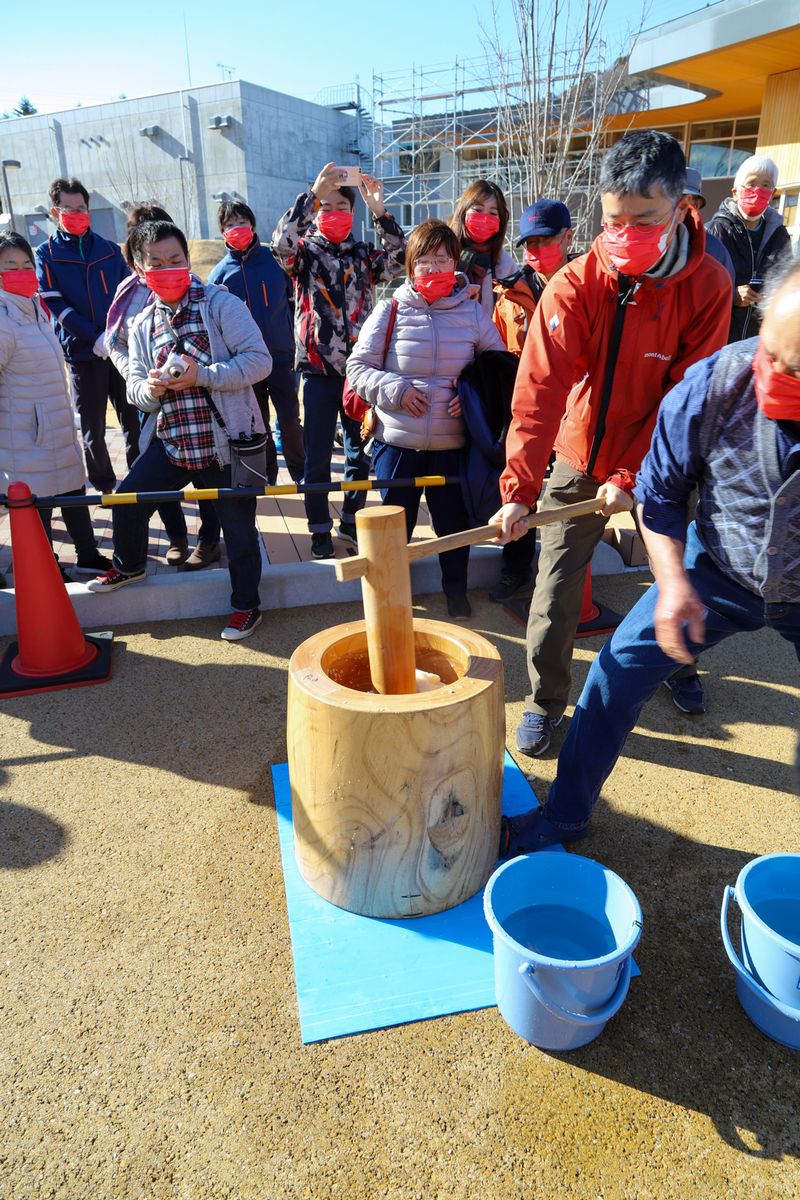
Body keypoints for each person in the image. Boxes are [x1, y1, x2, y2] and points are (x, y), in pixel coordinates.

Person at [500, 256, 800, 854]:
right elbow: (661, 498)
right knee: (615, 671)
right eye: (770, 353)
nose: (771, 374)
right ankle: (563, 815)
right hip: (715, 565)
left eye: (795, 370)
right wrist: (672, 582)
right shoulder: (718, 383)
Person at [492, 130, 732, 757]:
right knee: (554, 591)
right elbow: (539, 390)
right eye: (613, 220)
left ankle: (678, 665)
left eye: (643, 218)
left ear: (682, 206)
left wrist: (632, 475)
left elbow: (686, 400)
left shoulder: (707, 285)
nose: (625, 233)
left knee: (675, 574)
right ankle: (546, 701)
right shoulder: (575, 283)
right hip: (578, 457)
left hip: (666, 462)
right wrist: (518, 489)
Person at [87, 220, 270, 641]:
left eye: (176, 260)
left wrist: (202, 375)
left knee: (239, 529)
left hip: (225, 442)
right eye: (157, 263)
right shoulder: (140, 324)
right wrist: (149, 389)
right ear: (138, 268)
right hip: (172, 441)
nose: (169, 269)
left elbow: (259, 361)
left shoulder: (220, 304)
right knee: (128, 501)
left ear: (188, 260)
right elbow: (134, 389)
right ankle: (130, 564)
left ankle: (246, 606)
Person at [346, 219, 505, 620]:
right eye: (425, 262)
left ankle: (456, 591)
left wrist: (471, 398)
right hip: (396, 442)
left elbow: (499, 370)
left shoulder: (472, 314)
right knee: (392, 528)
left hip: (453, 446)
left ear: (455, 264)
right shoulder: (390, 310)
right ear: (411, 266)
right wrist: (396, 391)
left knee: (453, 529)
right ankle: (390, 595)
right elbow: (358, 368)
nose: (434, 270)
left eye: (442, 259)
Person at [272, 163, 406, 559]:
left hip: (359, 372)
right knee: (316, 456)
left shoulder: (364, 255)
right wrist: (311, 196)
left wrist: (380, 211)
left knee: (358, 451)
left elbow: (401, 259)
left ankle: (351, 518)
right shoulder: (305, 254)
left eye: (340, 206)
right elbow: (281, 243)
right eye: (324, 207)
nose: (332, 213)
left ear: (352, 213)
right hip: (316, 371)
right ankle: (318, 530)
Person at [0, 231, 110, 579]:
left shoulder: (34, 308)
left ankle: (88, 555)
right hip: (25, 436)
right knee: (37, 505)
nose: (21, 271)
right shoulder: (2, 318)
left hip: (56, 425)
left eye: (26, 264)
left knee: (72, 489)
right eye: (10, 266)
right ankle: (43, 566)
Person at [489, 199, 575, 602]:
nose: (534, 251)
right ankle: (516, 568)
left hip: (576, 409)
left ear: (567, 238)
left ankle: (564, 581)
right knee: (519, 488)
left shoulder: (590, 287)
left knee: (565, 495)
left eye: (544, 241)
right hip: (526, 408)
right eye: (528, 243)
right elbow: (495, 351)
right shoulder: (509, 295)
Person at [105, 203, 196, 566]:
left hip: (201, 407)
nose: (164, 265)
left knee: (211, 483)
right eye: (139, 233)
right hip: (151, 404)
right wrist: (140, 378)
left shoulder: (204, 293)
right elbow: (114, 341)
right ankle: (176, 537)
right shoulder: (127, 293)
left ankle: (207, 540)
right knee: (154, 478)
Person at [34, 177, 132, 492]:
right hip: (80, 353)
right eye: (69, 209)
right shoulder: (46, 253)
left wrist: (113, 335)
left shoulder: (107, 249)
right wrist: (94, 337)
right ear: (55, 211)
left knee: (133, 420)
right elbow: (55, 303)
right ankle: (104, 486)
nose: (77, 214)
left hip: (119, 350)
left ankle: (140, 483)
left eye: (82, 208)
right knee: (93, 427)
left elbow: (128, 292)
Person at [209, 199, 304, 486]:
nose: (236, 229)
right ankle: (267, 477)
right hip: (245, 362)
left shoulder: (274, 260)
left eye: (241, 222)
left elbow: (294, 299)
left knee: (289, 419)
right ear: (222, 232)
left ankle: (302, 473)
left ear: (252, 224)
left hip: (281, 355)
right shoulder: (219, 275)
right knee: (258, 422)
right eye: (229, 225)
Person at [707, 155, 791, 344]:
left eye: (766, 185)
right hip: (719, 341)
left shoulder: (780, 236)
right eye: (751, 183)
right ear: (735, 192)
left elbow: (788, 284)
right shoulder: (715, 231)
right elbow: (701, 289)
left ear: (773, 192)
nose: (758, 191)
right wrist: (732, 295)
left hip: (760, 343)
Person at [492, 199, 574, 355]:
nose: (539, 247)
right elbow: (498, 358)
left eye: (547, 238)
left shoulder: (592, 290)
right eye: (531, 242)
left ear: (569, 237)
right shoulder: (509, 300)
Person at [449, 180, 516, 315]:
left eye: (492, 214)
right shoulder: (443, 254)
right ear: (463, 212)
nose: (484, 218)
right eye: (478, 210)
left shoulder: (504, 264)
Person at [681, 168, 735, 287]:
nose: (677, 206)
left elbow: (725, 292)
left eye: (685, 199)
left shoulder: (714, 248)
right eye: (672, 197)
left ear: (697, 204)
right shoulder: (647, 238)